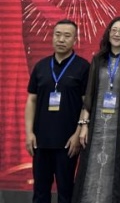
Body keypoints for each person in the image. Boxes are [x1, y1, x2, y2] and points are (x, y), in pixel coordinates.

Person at [72, 17, 120, 203]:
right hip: (95, 124)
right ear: (108, 33)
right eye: (114, 30)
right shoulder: (98, 59)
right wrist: (84, 125)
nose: (117, 34)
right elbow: (89, 95)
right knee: (90, 168)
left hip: (118, 127)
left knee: (115, 170)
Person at [25, 19, 90, 203]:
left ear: (75, 40)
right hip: (41, 141)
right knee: (40, 191)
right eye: (57, 34)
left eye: (67, 36)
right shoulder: (41, 66)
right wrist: (29, 133)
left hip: (68, 142)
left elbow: (87, 105)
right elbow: (31, 100)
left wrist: (78, 133)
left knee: (66, 192)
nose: (61, 39)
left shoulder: (83, 67)